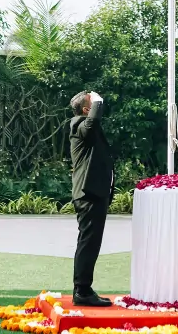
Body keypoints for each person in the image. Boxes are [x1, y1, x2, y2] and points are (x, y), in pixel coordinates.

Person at [68, 90, 116, 307]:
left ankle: (84, 289)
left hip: (94, 193)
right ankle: (82, 290)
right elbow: (91, 125)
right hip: (88, 194)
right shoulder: (78, 124)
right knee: (88, 243)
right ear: (87, 110)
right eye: (94, 103)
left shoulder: (87, 127)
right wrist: (98, 101)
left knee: (91, 242)